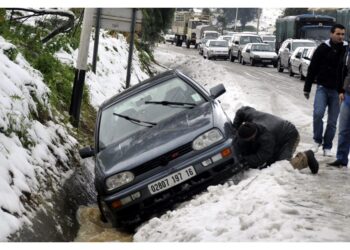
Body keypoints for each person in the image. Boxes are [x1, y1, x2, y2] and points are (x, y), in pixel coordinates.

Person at [303, 23, 348, 156]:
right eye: (338, 34)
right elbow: (312, 69)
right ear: (331, 34)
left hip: (338, 91)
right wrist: (307, 88)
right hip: (322, 88)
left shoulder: (346, 49)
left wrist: (344, 90)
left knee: (333, 121)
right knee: (318, 113)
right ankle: (317, 140)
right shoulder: (322, 48)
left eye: (342, 34)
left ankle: (327, 147)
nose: (340, 36)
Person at [232, 106, 319, 174]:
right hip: (277, 132)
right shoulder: (251, 116)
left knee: (280, 167)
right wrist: (235, 128)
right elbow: (241, 111)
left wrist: (243, 160)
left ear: (253, 136)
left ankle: (306, 156)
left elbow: (261, 157)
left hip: (289, 136)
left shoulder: (266, 137)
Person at [328, 42, 350, 168]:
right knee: (343, 130)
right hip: (347, 94)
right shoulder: (347, 50)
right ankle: (341, 159)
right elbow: (342, 70)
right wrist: (341, 90)